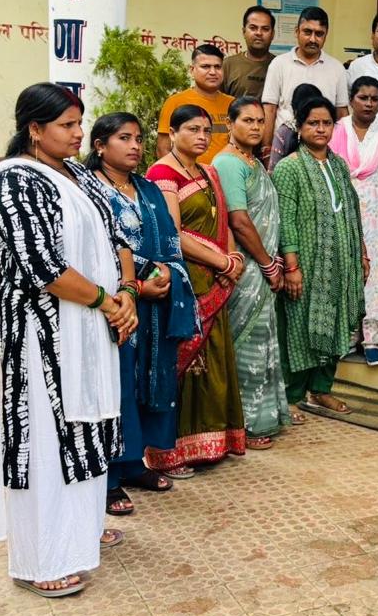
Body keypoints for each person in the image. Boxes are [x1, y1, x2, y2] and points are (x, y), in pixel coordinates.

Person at [0, 83, 134, 602]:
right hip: (42, 339)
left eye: (80, 123)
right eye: (67, 125)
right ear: (34, 129)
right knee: (45, 441)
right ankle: (40, 558)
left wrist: (127, 292)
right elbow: (40, 266)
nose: (78, 133)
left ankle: (81, 533)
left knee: (85, 436)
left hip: (90, 330)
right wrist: (106, 301)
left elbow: (116, 235)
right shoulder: (14, 180)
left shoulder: (78, 174)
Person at [87, 113, 198, 514]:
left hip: (154, 308)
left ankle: (135, 465)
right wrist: (134, 286)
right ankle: (108, 478)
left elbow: (170, 240)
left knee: (147, 381)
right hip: (113, 306)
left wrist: (168, 273)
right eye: (124, 138)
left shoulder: (147, 189)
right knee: (115, 386)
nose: (135, 146)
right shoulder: (88, 190)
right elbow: (92, 250)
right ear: (100, 145)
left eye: (138, 138)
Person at [146, 105, 248, 469]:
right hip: (186, 282)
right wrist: (222, 263)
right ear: (172, 133)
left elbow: (225, 223)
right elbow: (173, 235)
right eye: (192, 129)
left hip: (217, 276)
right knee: (186, 363)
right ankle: (171, 451)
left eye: (206, 130)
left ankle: (213, 443)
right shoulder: (161, 174)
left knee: (215, 358)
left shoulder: (209, 172)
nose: (202, 137)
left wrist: (233, 258)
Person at [273, 96, 367, 415]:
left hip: (342, 263)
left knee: (337, 322)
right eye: (313, 123)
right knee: (300, 328)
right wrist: (292, 267)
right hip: (307, 266)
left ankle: (321, 390)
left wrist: (361, 255)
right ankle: (292, 396)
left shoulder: (338, 165)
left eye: (327, 123)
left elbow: (352, 211)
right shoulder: (289, 168)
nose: (321, 129)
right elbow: (285, 220)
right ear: (299, 128)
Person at [213, 96, 293, 449]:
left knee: (264, 343)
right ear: (230, 124)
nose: (256, 127)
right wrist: (267, 263)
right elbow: (239, 220)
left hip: (262, 267)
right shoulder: (229, 163)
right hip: (246, 269)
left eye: (260, 121)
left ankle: (265, 416)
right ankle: (243, 425)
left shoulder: (253, 161)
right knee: (247, 345)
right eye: (247, 120)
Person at [330, 77, 378, 365]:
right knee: (346, 273)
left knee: (376, 275)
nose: (369, 104)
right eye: (363, 98)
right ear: (351, 99)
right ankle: (348, 336)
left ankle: (373, 339)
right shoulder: (337, 129)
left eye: (375, 99)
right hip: (342, 212)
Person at [262, 7, 349, 168]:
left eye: (319, 34)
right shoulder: (279, 64)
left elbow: (342, 114)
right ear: (297, 31)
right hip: (284, 148)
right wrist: (267, 149)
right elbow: (270, 109)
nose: (313, 39)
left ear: (326, 35)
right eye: (307, 32)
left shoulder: (337, 68)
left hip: (324, 152)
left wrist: (343, 153)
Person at [156, 44, 234, 162]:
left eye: (217, 67)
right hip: (188, 173)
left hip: (227, 171)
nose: (213, 72)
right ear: (192, 70)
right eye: (205, 66)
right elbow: (163, 148)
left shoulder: (233, 104)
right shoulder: (175, 102)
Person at [222, 6, 276, 100]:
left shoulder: (280, 65)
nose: (259, 33)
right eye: (253, 28)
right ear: (244, 32)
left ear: (272, 34)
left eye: (265, 29)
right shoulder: (227, 65)